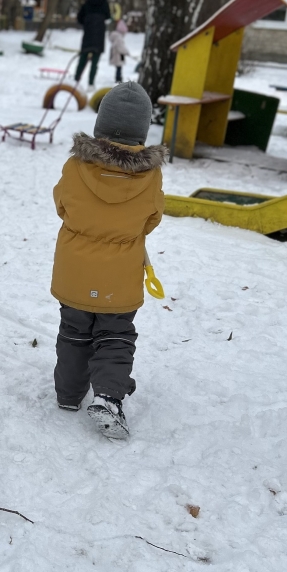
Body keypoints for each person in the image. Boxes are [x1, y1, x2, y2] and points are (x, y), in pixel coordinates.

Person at [50, 82, 165, 440]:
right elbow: (153, 217)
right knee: (115, 336)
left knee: (73, 332)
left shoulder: (75, 166)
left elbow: (62, 204)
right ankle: (108, 396)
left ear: (101, 124)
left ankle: (68, 395)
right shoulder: (150, 175)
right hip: (119, 275)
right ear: (142, 131)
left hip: (74, 272)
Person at [75, 0, 111, 91]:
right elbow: (108, 16)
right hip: (99, 33)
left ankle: (76, 80)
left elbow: (79, 18)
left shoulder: (87, 1)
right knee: (95, 61)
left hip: (88, 32)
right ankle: (91, 83)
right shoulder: (104, 2)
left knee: (83, 57)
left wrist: (87, 22)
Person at [109, 18, 130, 83]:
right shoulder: (119, 37)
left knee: (118, 67)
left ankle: (118, 78)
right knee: (119, 68)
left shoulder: (115, 36)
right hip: (118, 56)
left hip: (115, 54)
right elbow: (120, 47)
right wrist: (126, 52)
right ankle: (118, 78)